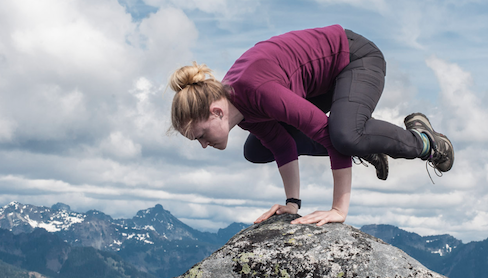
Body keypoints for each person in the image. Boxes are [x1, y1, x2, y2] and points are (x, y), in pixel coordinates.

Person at [168, 25, 453, 226]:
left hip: (355, 59)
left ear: (216, 111)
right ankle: (365, 145)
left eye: (201, 136)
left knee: (344, 136)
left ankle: (427, 142)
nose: (204, 144)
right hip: (319, 85)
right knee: (256, 150)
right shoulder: (241, 112)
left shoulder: (257, 91)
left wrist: (338, 210)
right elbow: (282, 145)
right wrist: (292, 203)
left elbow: (325, 134)